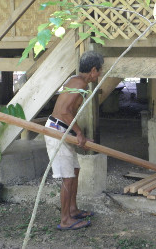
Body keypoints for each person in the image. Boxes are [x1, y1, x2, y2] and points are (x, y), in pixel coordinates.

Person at [46, 51, 103, 231]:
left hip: (63, 130)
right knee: (68, 178)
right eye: (99, 71)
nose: (100, 75)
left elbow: (68, 111)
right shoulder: (79, 84)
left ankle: (72, 209)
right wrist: (79, 134)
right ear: (93, 70)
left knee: (75, 170)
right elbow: (64, 112)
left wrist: (78, 134)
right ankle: (65, 220)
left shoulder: (78, 81)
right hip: (56, 130)